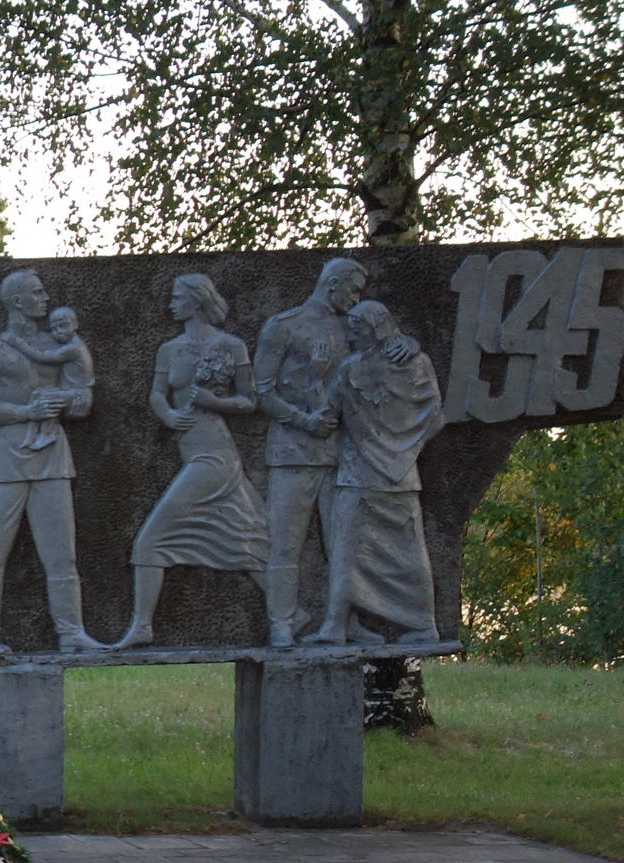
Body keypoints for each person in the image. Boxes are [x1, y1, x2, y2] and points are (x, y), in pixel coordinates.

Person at [252, 256, 410, 647]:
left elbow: (391, 349)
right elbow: (261, 391)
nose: (356, 298)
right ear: (333, 283)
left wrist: (408, 343)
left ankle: (343, 622)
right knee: (285, 543)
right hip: (292, 452)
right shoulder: (283, 326)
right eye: (353, 290)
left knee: (344, 545)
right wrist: (304, 420)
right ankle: (281, 624)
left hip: (344, 457)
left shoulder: (355, 326)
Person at [113, 274, 272, 647]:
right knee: (245, 538)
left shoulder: (231, 346)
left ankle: (141, 626)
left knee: (149, 542)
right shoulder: (170, 349)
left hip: (214, 454)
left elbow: (249, 401)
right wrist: (168, 415)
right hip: (192, 450)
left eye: (177, 297)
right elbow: (157, 395)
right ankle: (291, 612)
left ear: (196, 301)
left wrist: (214, 402)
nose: (170, 304)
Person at [0, 269, 97, 656]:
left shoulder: (60, 343)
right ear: (17, 302)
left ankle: (71, 633)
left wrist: (71, 400)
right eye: (37, 293)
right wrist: (27, 410)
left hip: (52, 457)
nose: (45, 298)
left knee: (61, 553)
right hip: (5, 460)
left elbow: (82, 399)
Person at [310, 299, 444, 647]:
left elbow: (325, 417)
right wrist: (401, 450)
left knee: (398, 554)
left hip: (368, 476)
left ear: (377, 329)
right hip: (388, 474)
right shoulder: (359, 366)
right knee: (351, 551)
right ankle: (335, 625)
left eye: (357, 328)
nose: (350, 334)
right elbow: (329, 417)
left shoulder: (398, 364)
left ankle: (420, 626)